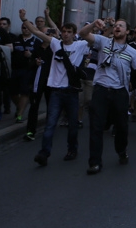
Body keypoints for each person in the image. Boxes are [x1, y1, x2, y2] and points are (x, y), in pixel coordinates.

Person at [20, 12, 93, 166]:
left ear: (74, 34)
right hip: (56, 92)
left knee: (73, 125)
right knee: (50, 124)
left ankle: (72, 149)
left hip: (72, 92)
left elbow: (98, 38)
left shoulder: (80, 45)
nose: (66, 34)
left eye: (69, 32)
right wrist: (25, 19)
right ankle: (44, 153)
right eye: (64, 31)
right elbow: (36, 31)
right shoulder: (55, 43)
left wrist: (104, 24)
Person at [78, 18, 136, 174]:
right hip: (101, 90)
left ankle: (121, 151)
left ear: (127, 32)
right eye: (116, 25)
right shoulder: (103, 42)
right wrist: (93, 25)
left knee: (122, 127)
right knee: (96, 126)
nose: (117, 27)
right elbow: (83, 33)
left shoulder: (132, 52)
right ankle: (95, 162)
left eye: (121, 26)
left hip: (120, 92)